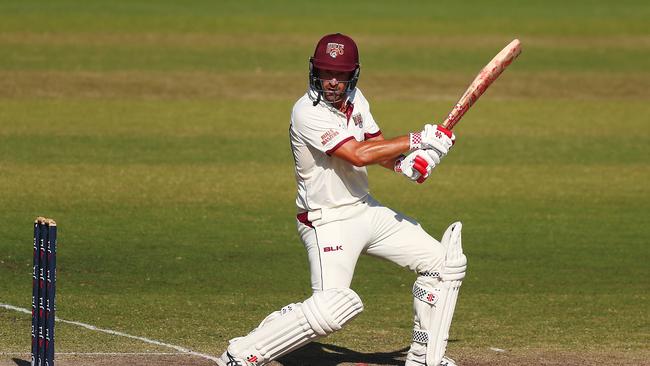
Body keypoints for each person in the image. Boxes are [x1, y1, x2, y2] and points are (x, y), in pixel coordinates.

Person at [217, 33, 467, 366]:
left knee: (443, 264)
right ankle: (243, 353)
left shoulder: (357, 99)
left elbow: (375, 144)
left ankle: (423, 358)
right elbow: (358, 155)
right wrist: (418, 138)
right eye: (325, 73)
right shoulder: (307, 111)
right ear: (314, 71)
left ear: (353, 75)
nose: (332, 82)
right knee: (335, 308)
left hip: (364, 209)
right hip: (326, 221)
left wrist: (405, 165)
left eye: (340, 75)